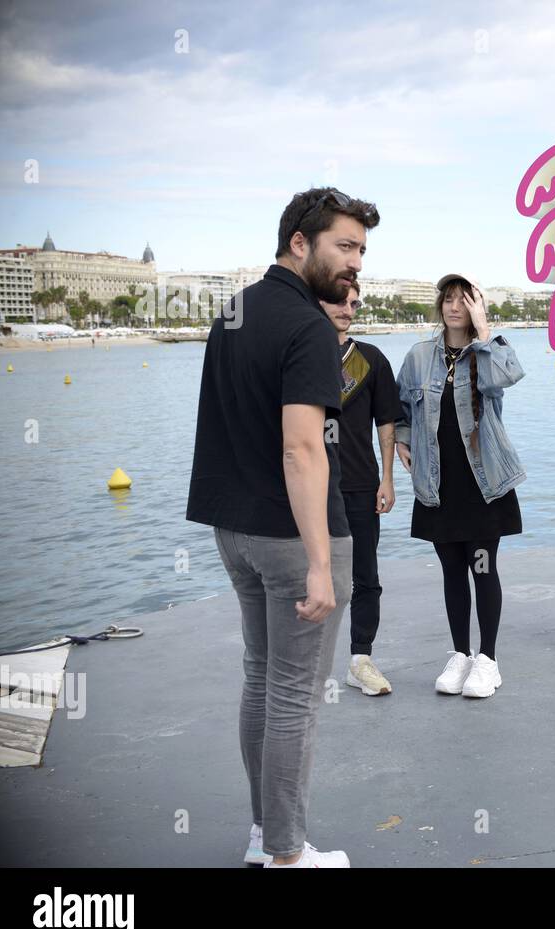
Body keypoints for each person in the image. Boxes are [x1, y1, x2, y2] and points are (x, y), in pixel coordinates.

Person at [186, 187, 380, 868]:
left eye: (361, 248)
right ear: (301, 241)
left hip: (233, 529)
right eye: (345, 246)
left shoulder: (235, 311)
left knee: (262, 678)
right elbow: (301, 448)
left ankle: (264, 834)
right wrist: (322, 564)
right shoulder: (305, 327)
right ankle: (288, 853)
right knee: (294, 693)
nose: (355, 262)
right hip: (293, 537)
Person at [394, 273, 525, 699]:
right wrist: (402, 441)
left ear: (476, 306)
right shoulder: (418, 356)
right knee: (452, 568)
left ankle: (488, 659)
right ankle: (460, 654)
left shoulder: (486, 353)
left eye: (464, 300)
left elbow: (509, 375)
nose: (454, 307)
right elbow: (400, 408)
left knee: (482, 567)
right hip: (437, 482)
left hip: (484, 481)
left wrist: (484, 330)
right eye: (448, 299)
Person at [319, 279, 400, 696]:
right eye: (338, 301)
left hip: (360, 485)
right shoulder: (299, 355)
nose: (347, 309)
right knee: (306, 576)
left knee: (364, 577)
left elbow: (386, 421)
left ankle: (360, 660)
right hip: (307, 487)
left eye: (353, 303)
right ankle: (303, 665)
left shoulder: (370, 359)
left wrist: (387, 476)